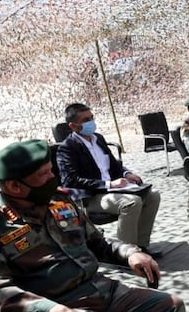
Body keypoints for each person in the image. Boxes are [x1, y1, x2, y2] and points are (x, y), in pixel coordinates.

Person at [0, 140, 185, 312]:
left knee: (170, 307)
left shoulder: (60, 202)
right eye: (44, 174)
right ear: (14, 186)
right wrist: (54, 311)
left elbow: (99, 242)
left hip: (101, 291)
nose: (54, 176)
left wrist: (129, 252)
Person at [57, 103, 163, 258]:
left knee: (153, 195)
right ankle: (123, 254)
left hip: (115, 190)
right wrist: (108, 184)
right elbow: (70, 180)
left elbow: (114, 165)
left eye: (91, 117)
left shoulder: (98, 138)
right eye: (86, 120)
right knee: (131, 202)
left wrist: (127, 174)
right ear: (73, 126)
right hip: (91, 196)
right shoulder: (67, 147)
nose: (91, 122)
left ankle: (141, 246)